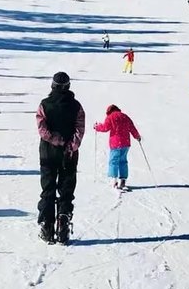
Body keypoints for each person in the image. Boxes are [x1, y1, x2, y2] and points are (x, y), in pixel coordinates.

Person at [36, 71, 85, 244]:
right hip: (69, 154)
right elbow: (80, 128)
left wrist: (55, 140)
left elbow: (42, 128)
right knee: (66, 189)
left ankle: (47, 226)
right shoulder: (76, 106)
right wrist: (71, 145)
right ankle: (63, 223)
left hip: (48, 153)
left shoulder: (45, 104)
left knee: (48, 189)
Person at [94, 105, 142, 191]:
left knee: (113, 161)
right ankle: (123, 180)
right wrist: (137, 136)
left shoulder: (110, 117)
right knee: (123, 161)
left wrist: (97, 127)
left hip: (115, 144)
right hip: (126, 143)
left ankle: (114, 180)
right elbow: (132, 127)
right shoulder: (125, 116)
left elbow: (105, 128)